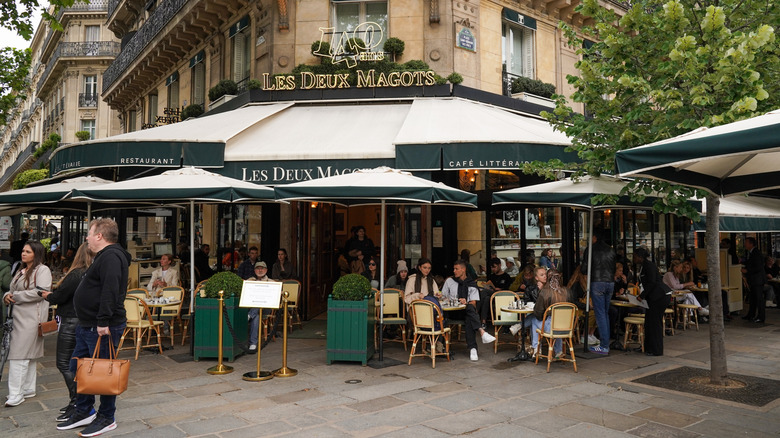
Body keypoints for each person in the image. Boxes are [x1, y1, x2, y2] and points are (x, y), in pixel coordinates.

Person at [57, 218, 129, 436]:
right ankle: (84, 409)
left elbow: (111, 290)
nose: (86, 237)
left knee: (105, 374)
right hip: (86, 325)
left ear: (99, 236)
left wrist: (103, 321)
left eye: (89, 233)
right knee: (77, 368)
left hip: (100, 327)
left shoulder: (112, 257)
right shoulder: (103, 257)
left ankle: (107, 417)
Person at [41, 242, 94, 420]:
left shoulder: (76, 274)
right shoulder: (92, 273)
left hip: (71, 320)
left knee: (64, 363)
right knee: (77, 364)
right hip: (84, 320)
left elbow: (59, 296)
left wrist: (46, 295)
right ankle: (78, 401)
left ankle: (77, 401)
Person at [2, 240, 52, 407]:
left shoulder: (42, 270)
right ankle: (28, 389)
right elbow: (11, 289)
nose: (23, 254)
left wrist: (15, 297)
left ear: (36, 254)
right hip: (18, 317)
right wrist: (7, 296)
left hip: (32, 319)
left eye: (28, 252)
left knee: (18, 356)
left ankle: (16, 394)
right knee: (27, 355)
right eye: (23, 251)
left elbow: (41, 291)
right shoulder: (20, 269)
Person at [439, 260, 496, 361]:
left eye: (456, 269)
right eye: (454, 269)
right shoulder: (449, 281)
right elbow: (443, 297)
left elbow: (474, 303)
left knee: (469, 311)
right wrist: (443, 297)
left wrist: (465, 301)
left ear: (463, 269)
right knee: (470, 314)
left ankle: (473, 348)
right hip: (451, 312)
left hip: (465, 311)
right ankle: (481, 333)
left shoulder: (471, 283)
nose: (454, 271)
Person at [580, 229, 616, 355]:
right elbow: (614, 267)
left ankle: (604, 345)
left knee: (600, 314)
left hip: (597, 282)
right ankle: (605, 342)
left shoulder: (591, 249)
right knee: (604, 313)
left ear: (595, 237)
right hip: (610, 282)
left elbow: (584, 269)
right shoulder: (611, 250)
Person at [531, 269, 573, 359]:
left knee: (534, 320)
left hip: (552, 327)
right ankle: (558, 351)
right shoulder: (568, 291)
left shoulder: (545, 292)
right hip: (567, 327)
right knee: (556, 322)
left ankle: (536, 350)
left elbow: (538, 313)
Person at [634, 248, 667, 356]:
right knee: (648, 322)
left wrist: (642, 296)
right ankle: (647, 347)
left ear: (640, 257)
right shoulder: (644, 266)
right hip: (653, 297)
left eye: (635, 256)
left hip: (659, 297)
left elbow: (652, 282)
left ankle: (656, 350)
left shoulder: (649, 266)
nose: (634, 259)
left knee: (654, 323)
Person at [246, 261, 274, 352]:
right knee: (256, 317)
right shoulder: (250, 280)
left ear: (266, 270)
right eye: (258, 268)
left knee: (259, 300)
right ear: (255, 270)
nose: (260, 270)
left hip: (265, 308)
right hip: (252, 308)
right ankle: (253, 343)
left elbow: (279, 293)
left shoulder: (271, 282)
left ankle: (250, 315)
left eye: (262, 268)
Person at [741, 237, 766, 323]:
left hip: (758, 280)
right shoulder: (751, 253)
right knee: (753, 298)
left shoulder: (756, 253)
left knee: (759, 299)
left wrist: (747, 270)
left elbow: (758, 267)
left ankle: (761, 316)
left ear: (751, 244)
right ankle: (751, 314)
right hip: (753, 280)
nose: (745, 244)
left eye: (746, 242)